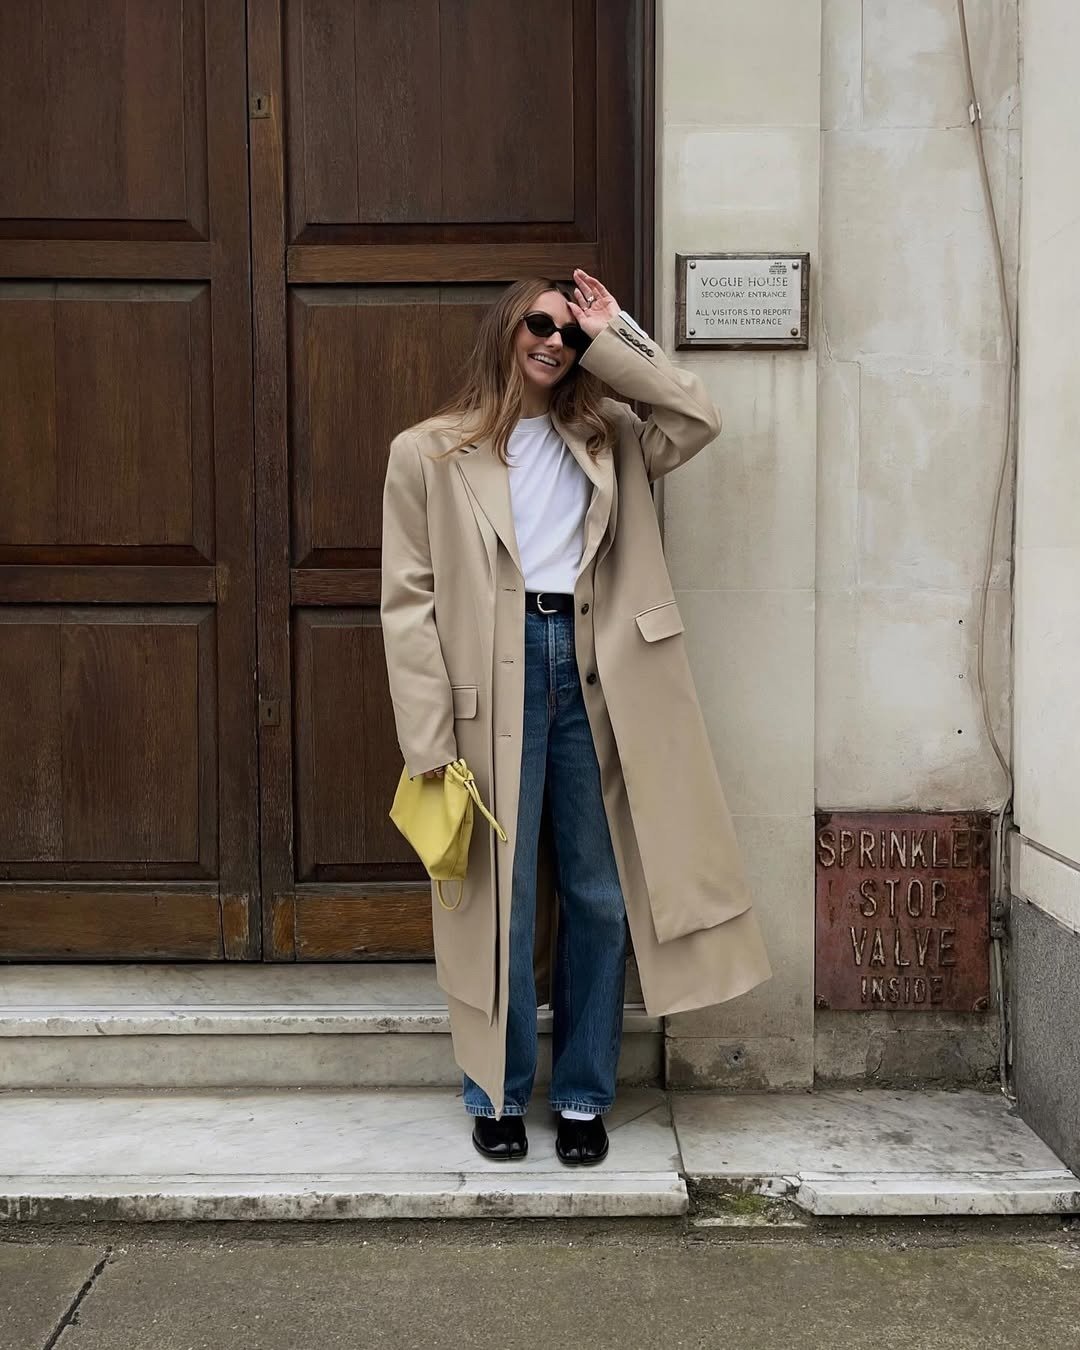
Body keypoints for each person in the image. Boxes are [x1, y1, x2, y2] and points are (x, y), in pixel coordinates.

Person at [381, 269, 771, 1168]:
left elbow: (697, 417)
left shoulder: (611, 434)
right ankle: (496, 1090)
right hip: (494, 679)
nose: (552, 340)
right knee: (501, 900)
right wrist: (427, 736)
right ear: (504, 333)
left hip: (598, 674)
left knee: (599, 894)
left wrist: (618, 334)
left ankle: (587, 1093)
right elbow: (408, 602)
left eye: (567, 329)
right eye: (538, 325)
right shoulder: (429, 453)